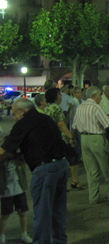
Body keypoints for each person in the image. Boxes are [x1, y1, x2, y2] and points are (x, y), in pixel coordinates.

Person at [0, 98, 74, 244]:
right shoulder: (46, 118)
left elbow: (4, 150)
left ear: (21, 111)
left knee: (42, 212)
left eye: (15, 113)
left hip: (44, 170)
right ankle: (60, 240)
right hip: (61, 166)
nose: (14, 117)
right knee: (58, 210)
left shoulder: (23, 123)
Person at [45, 88, 83, 190]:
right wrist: (71, 137)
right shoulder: (56, 108)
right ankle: (74, 181)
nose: (61, 96)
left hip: (52, 139)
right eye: (60, 95)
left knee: (62, 160)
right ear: (55, 97)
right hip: (61, 139)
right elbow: (61, 125)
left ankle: (68, 182)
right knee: (73, 157)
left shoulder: (47, 108)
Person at [0, 141, 33, 244]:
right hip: (6, 192)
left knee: (22, 213)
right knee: (5, 215)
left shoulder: (18, 159)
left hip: (19, 190)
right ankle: (2, 236)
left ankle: (24, 234)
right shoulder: (1, 161)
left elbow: (25, 152)